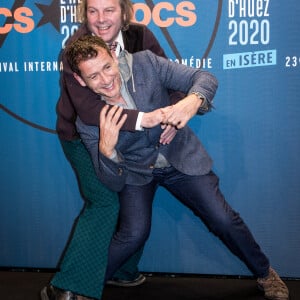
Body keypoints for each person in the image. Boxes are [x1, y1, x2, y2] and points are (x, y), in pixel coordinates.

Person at [69, 35, 289, 300]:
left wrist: (190, 102)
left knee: (222, 218)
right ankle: (81, 286)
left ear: (114, 57)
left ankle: (265, 271)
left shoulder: (146, 63)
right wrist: (106, 151)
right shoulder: (88, 122)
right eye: (93, 77)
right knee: (133, 234)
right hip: (137, 173)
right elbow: (113, 183)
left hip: (180, 157)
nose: (105, 80)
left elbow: (205, 78)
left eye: (107, 67)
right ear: (81, 81)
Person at [42, 0, 183, 299]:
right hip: (84, 137)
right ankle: (64, 287)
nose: (101, 19)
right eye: (93, 11)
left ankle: (123, 271)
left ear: (123, 12)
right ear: (84, 14)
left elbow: (171, 78)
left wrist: (174, 113)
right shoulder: (75, 47)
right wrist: (148, 119)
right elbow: (90, 110)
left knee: (133, 195)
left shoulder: (141, 37)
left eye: (109, 10)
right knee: (105, 201)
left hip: (131, 139)